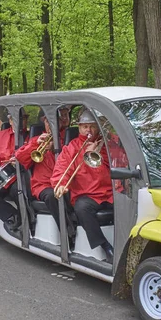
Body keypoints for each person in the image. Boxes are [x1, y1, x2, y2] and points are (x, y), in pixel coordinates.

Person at [51, 109, 114, 263]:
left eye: (92, 126)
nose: (88, 130)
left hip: (109, 193)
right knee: (81, 208)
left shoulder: (108, 144)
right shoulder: (72, 147)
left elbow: (115, 166)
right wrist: (61, 183)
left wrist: (97, 150)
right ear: (79, 128)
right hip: (87, 194)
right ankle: (106, 247)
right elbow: (62, 168)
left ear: (98, 127)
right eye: (84, 127)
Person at [15, 107, 72, 231]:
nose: (51, 125)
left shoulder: (67, 139)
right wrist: (35, 144)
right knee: (52, 196)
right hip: (43, 185)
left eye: (55, 122)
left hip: (64, 182)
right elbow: (20, 156)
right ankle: (67, 230)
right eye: (47, 122)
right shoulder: (37, 139)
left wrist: (57, 149)